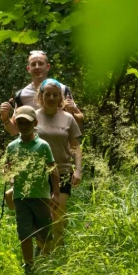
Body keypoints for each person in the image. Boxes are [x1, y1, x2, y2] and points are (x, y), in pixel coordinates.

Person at [2, 105, 60, 275]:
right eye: (20, 123)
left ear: (35, 123)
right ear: (16, 123)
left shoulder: (43, 146)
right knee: (24, 233)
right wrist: (10, 176)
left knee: (45, 231)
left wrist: (55, 193)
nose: (24, 126)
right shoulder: (12, 147)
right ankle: (29, 266)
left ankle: (45, 261)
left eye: (27, 123)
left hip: (41, 196)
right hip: (20, 196)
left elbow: (53, 170)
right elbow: (7, 169)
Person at [33, 78, 83, 250]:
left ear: (60, 97)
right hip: (38, 173)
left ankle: (59, 251)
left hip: (62, 171)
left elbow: (75, 147)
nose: (52, 98)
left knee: (58, 214)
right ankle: (42, 253)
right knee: (41, 216)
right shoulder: (33, 117)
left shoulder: (68, 118)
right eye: (48, 94)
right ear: (41, 96)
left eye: (56, 95)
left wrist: (78, 170)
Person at [0, 50, 84, 136]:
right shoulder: (22, 95)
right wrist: (5, 117)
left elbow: (80, 122)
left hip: (61, 145)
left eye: (40, 63)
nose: (37, 67)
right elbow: (15, 130)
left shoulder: (62, 89)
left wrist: (71, 113)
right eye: (33, 64)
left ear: (47, 67)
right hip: (33, 147)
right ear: (28, 69)